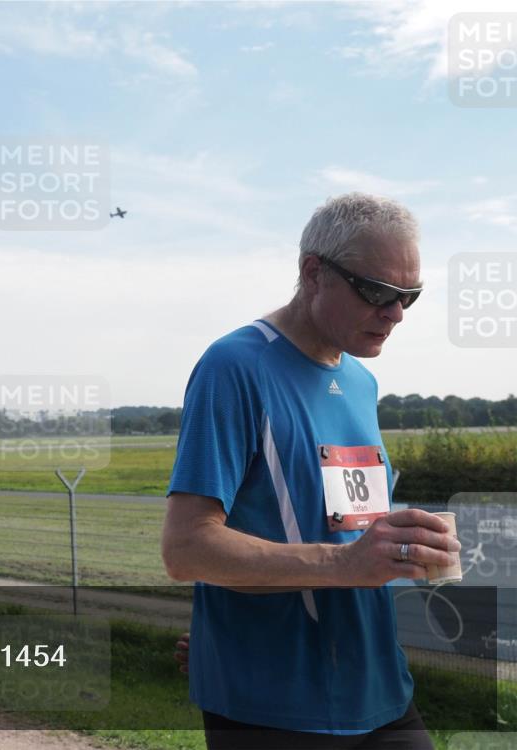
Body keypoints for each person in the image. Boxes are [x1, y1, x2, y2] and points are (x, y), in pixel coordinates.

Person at [161, 193, 460, 749]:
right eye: (378, 292)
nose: (394, 314)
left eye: (409, 297)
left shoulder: (362, 382)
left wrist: (406, 548)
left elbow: (337, 522)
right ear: (313, 272)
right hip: (275, 706)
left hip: (380, 688)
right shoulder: (234, 367)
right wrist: (344, 563)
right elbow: (186, 549)